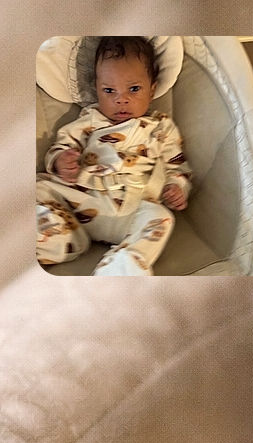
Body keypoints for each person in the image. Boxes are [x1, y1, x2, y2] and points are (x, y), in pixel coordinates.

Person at [36, 36, 191, 275]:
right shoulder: (89, 121)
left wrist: (177, 187)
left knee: (161, 219)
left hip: (132, 208)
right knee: (38, 188)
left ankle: (122, 266)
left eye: (134, 89)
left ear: (152, 90)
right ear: (97, 90)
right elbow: (62, 144)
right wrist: (60, 161)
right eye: (109, 90)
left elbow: (177, 166)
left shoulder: (161, 127)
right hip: (81, 200)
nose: (121, 99)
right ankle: (62, 239)